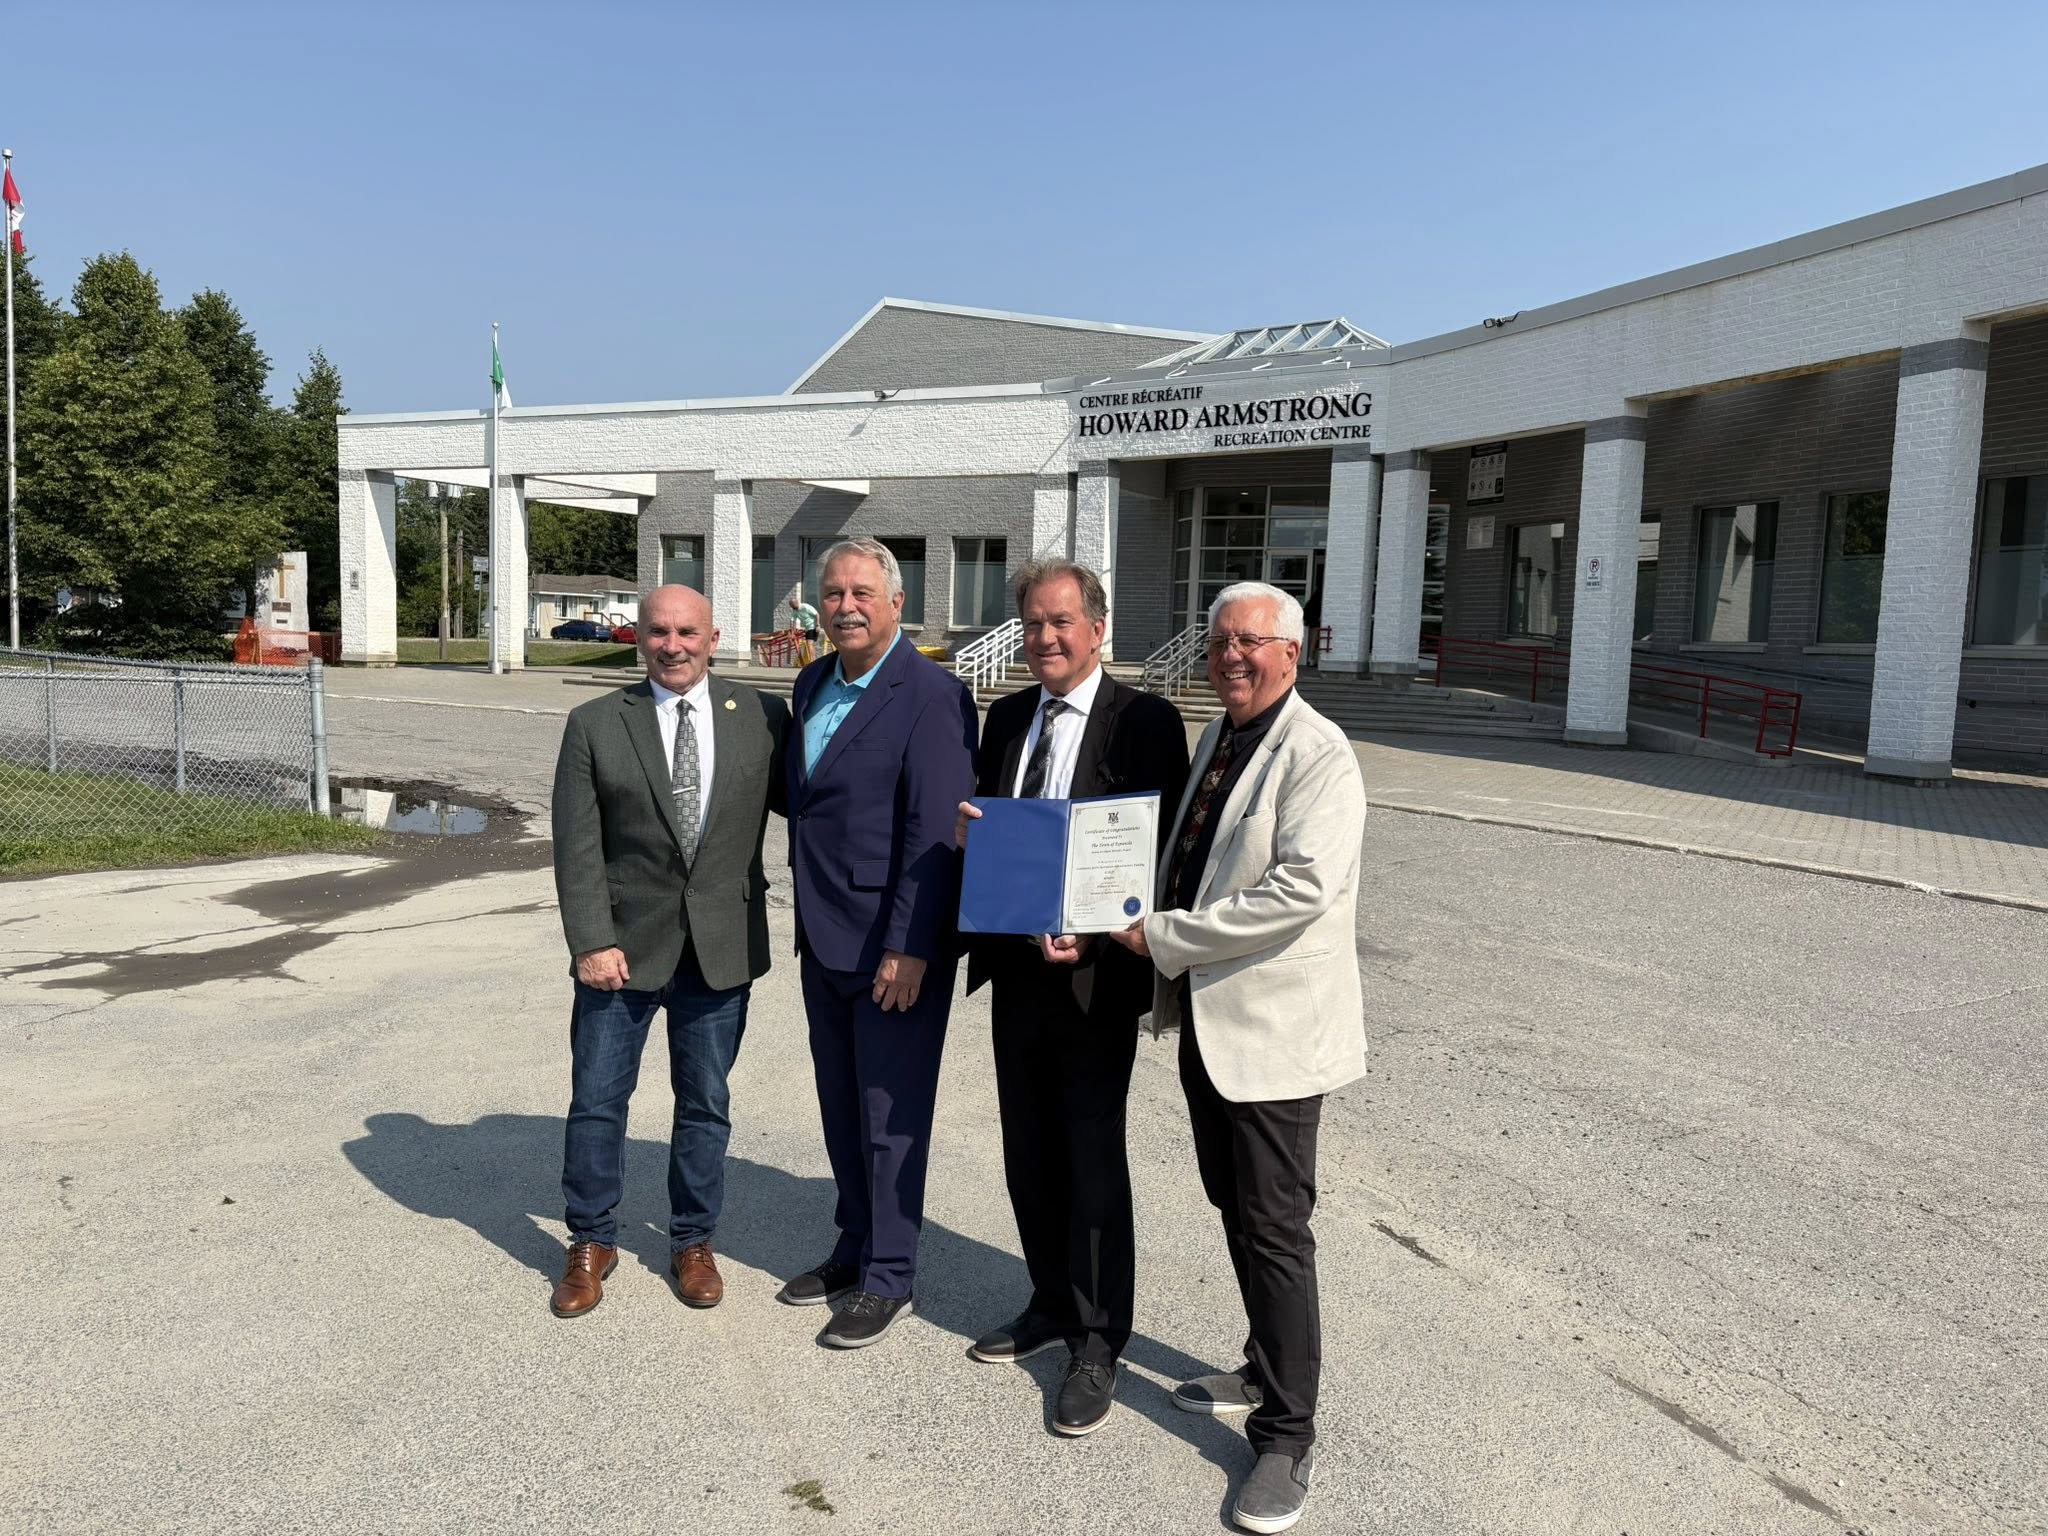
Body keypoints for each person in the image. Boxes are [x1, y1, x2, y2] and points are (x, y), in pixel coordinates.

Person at [1109, 579, 1367, 1535]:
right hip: (1213, 1029)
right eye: (1220, 640)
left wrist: (1164, 937)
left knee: (1275, 1227)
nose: (1231, 657)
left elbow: (1299, 890)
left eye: (1251, 642)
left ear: (1292, 653)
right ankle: (1262, 1365)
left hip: (1275, 1040)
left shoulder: (1318, 754)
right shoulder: (1222, 735)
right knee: (1237, 1205)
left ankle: (1287, 1436)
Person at [954, 560, 1190, 1436]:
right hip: (1017, 970)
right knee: (1027, 1149)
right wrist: (971, 839)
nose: (1045, 638)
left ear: (1098, 628)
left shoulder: (1146, 721)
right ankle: (1050, 1301)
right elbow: (998, 831)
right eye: (1033, 623)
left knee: (1091, 1158)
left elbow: (1157, 851)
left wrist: (1096, 929)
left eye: (1061, 621)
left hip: (1096, 980)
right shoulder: (1009, 715)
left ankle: (1098, 1339)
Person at [546, 584, 790, 1318]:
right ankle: (591, 1241)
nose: (672, 645)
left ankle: (693, 1241)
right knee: (597, 1102)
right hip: (620, 951)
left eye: (687, 632)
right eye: (658, 632)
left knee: (706, 1104)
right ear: (640, 639)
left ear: (713, 638)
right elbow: (576, 845)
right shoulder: (595, 723)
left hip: (720, 947)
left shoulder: (762, 716)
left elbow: (821, 803)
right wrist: (591, 940)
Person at [778, 537, 978, 1348]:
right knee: (839, 1103)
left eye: (863, 592)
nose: (846, 606)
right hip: (822, 935)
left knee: (890, 1114)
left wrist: (911, 945)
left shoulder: (932, 694)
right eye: (833, 593)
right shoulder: (811, 681)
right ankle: (855, 1244)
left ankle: (891, 1273)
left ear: (898, 603)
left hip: (892, 948)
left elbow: (935, 830)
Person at [787, 588, 820, 665]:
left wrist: (818, 625)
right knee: (810, 644)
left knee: (809, 643)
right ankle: (813, 660)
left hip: (812, 626)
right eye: (792, 606)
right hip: (807, 628)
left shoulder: (805, 607)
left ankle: (813, 661)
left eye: (793, 606)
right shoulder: (795, 610)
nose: (793, 608)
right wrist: (792, 631)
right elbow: (792, 620)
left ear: (796, 603)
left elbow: (817, 614)